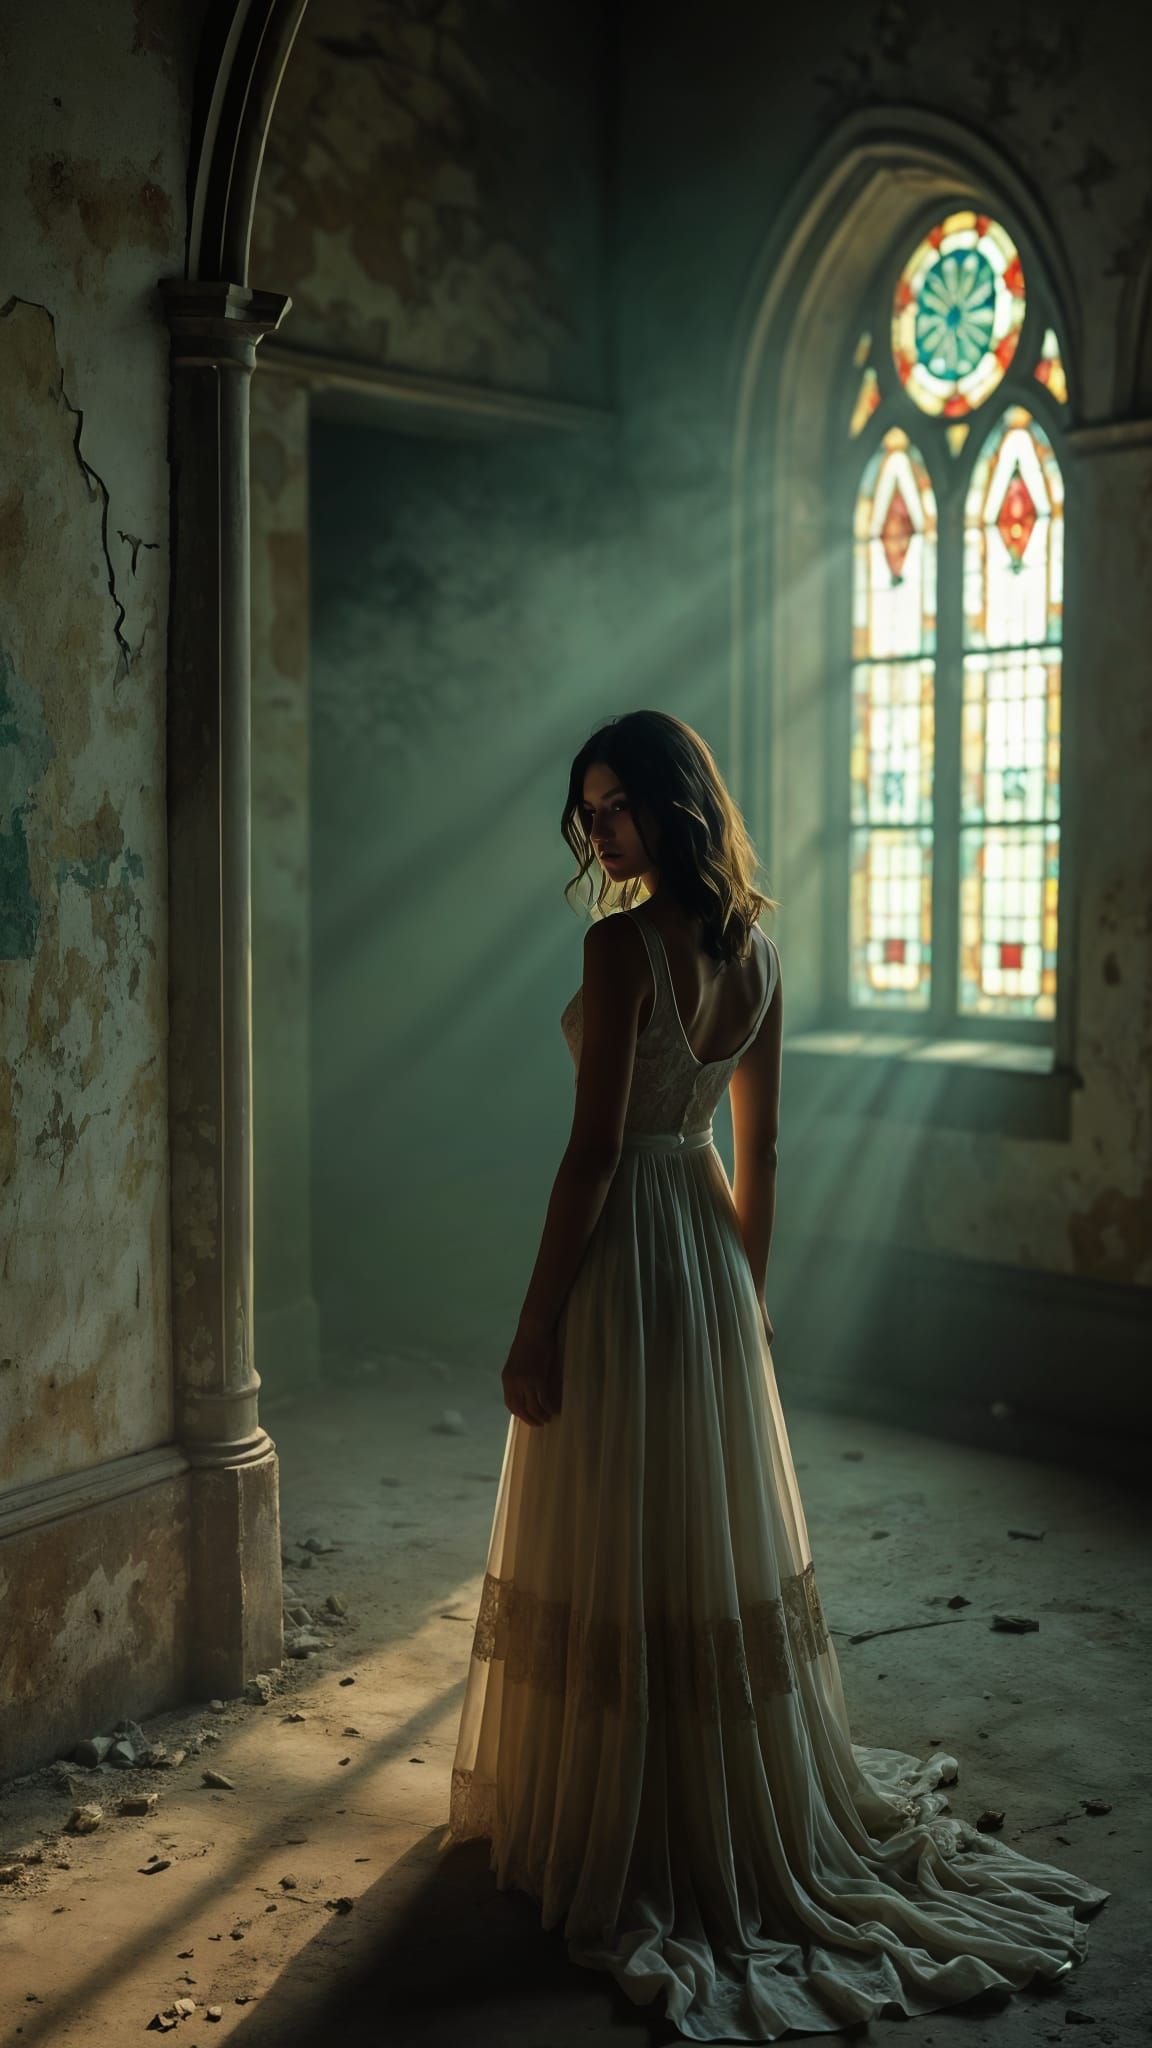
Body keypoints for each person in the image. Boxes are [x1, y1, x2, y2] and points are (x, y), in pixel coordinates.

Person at [441, 709, 1108, 2041]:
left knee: (620, 1521)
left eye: (618, 805)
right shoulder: (759, 951)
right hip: (702, 1244)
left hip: (628, 1251)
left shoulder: (620, 947)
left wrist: (532, 1327)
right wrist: (742, 1300)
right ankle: (684, 1791)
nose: (600, 831)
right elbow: (767, 1152)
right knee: (686, 1528)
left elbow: (592, 1154)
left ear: (675, 804)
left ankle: (633, 1817)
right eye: (588, 810)